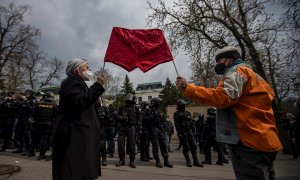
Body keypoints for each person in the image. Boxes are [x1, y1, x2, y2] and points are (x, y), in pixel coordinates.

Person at [176, 46, 282, 179]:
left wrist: (188, 88)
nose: (217, 64)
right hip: (265, 138)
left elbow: (223, 97)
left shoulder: (237, 71)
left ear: (229, 59)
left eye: (219, 60)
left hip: (247, 141)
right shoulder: (257, 77)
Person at [52, 58, 106, 180]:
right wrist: (98, 85)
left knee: (80, 171)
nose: (89, 69)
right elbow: (80, 101)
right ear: (77, 70)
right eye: (86, 67)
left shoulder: (80, 83)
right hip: (76, 135)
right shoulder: (73, 81)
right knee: (74, 171)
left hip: (80, 134)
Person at [174, 99, 203, 167]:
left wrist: (193, 131)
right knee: (186, 147)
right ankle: (188, 161)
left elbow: (191, 123)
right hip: (182, 131)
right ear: (180, 106)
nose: (184, 106)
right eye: (183, 105)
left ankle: (195, 161)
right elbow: (177, 124)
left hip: (189, 130)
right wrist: (179, 133)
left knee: (194, 145)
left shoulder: (187, 113)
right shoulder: (176, 114)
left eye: (185, 105)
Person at [115, 93, 139, 168]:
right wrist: (122, 118)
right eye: (127, 101)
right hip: (122, 127)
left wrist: (137, 127)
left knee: (132, 145)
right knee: (120, 145)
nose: (128, 102)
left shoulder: (136, 108)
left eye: (130, 101)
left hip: (131, 127)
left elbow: (139, 118)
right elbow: (117, 116)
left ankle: (132, 161)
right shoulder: (122, 108)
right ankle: (121, 160)